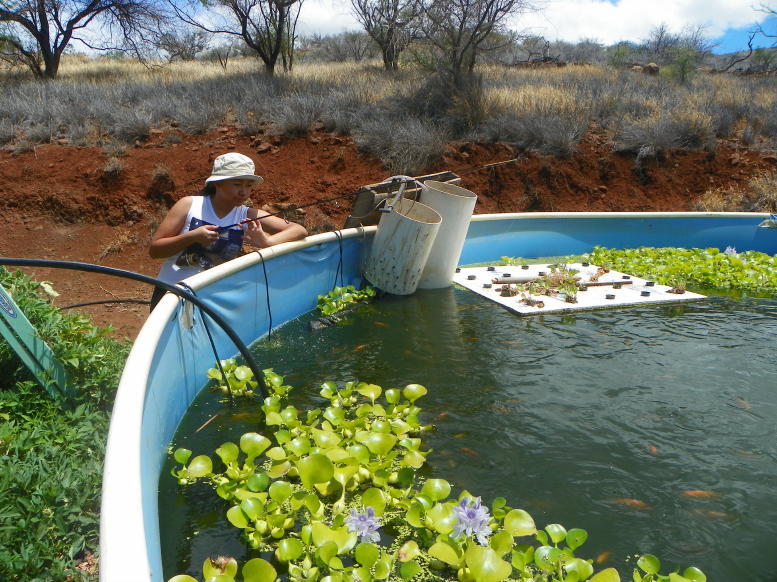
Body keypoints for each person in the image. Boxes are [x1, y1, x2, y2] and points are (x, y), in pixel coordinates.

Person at [148, 152, 308, 309]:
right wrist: (192, 237)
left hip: (212, 299)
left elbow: (299, 230)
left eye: (248, 186)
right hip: (171, 294)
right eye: (237, 184)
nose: (244, 192)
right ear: (218, 183)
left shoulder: (247, 214)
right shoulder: (189, 205)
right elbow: (155, 250)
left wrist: (267, 242)